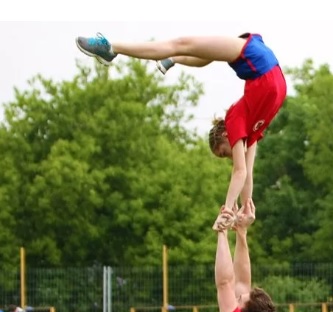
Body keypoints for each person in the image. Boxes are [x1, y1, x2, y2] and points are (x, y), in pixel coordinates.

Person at [75, 32, 287, 222]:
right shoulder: (250, 131)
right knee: (198, 51)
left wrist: (229, 209)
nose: (231, 155)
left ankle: (123, 50)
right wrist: (245, 208)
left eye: (224, 152)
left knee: (185, 45)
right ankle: (142, 53)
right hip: (260, 65)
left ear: (224, 134)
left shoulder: (235, 122)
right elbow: (247, 173)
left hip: (255, 59)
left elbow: (241, 172)